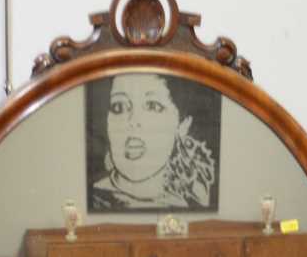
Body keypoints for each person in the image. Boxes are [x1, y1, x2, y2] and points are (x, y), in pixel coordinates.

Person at [90, 73, 216, 210]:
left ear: (182, 125)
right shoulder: (90, 199)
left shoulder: (194, 204)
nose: (133, 121)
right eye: (118, 107)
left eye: (153, 106)